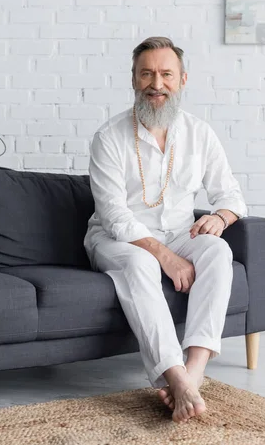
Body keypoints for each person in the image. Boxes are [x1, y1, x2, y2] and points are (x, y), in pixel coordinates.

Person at [84, 37, 247, 424]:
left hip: (178, 233)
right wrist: (166, 256)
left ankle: (193, 372)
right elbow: (114, 217)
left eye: (166, 74)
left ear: (182, 79)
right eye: (147, 73)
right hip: (118, 240)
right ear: (134, 80)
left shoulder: (199, 133)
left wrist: (220, 218)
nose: (157, 83)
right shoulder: (109, 137)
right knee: (141, 265)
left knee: (218, 251)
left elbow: (232, 195)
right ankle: (174, 377)